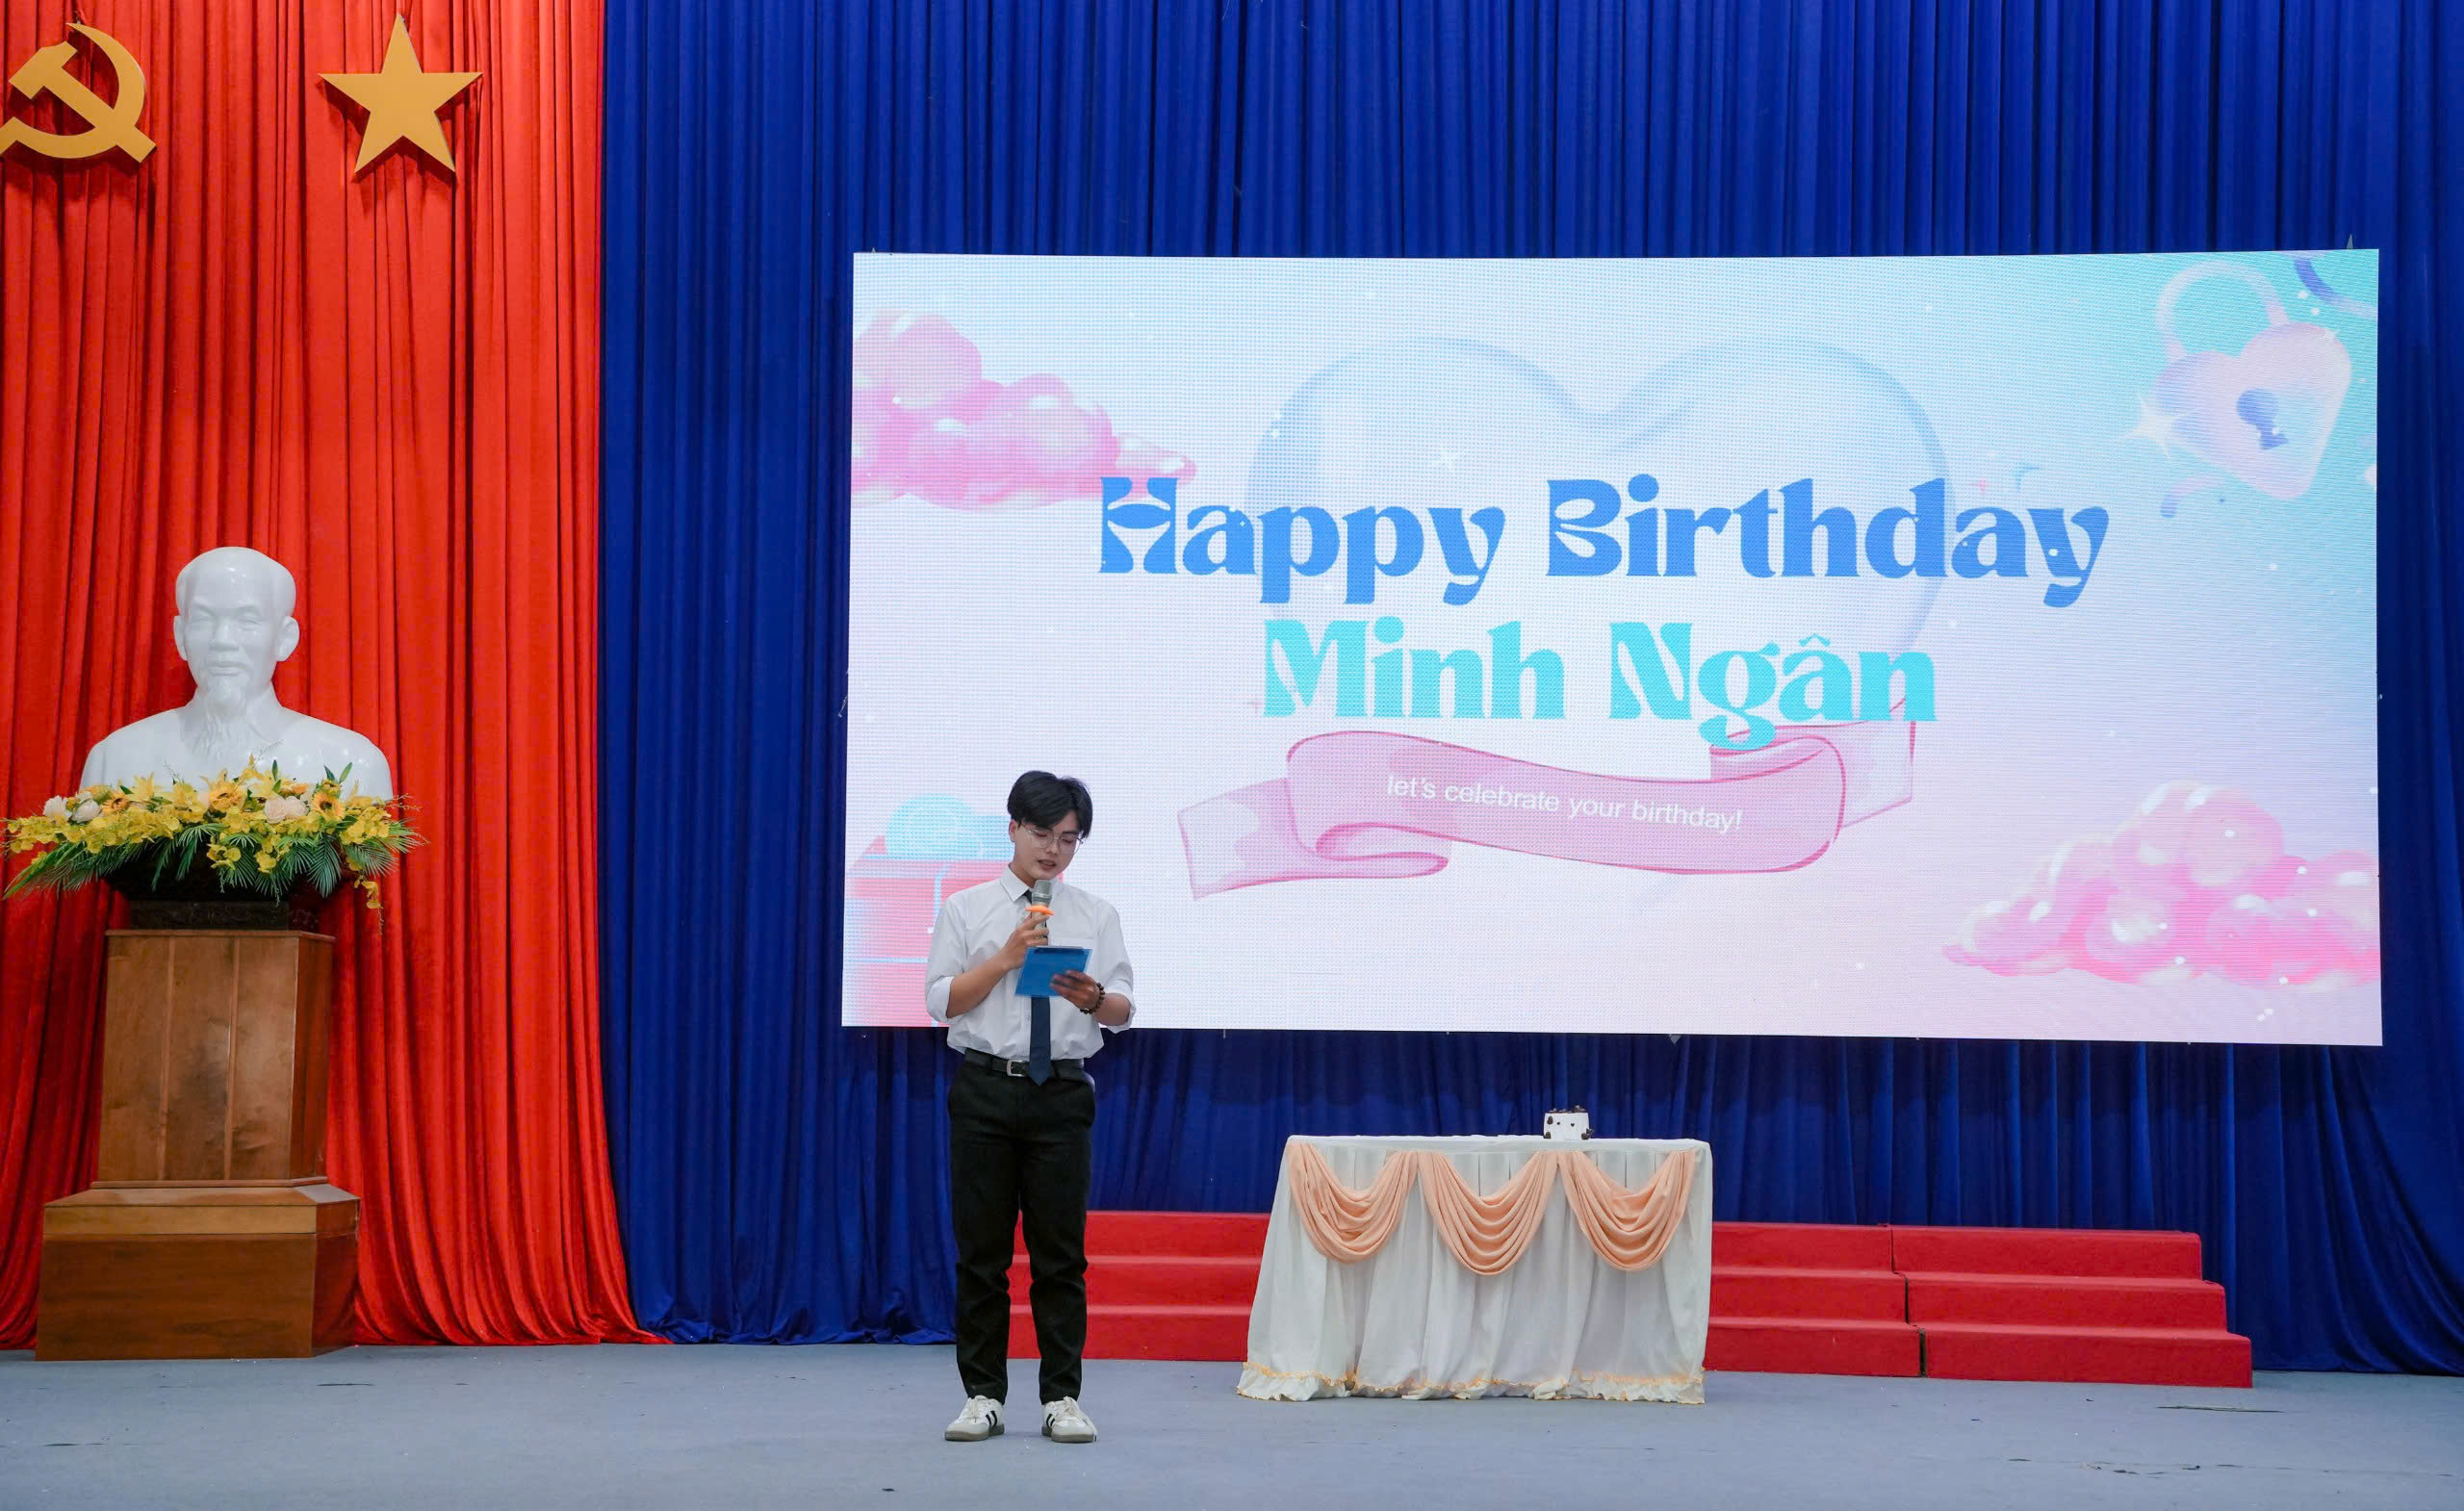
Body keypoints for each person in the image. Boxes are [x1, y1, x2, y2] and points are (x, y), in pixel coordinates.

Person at [925, 771, 1134, 1446]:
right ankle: (983, 1396)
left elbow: (1123, 1009)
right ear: (1013, 828)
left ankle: (1061, 1398)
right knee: (981, 1256)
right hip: (985, 1087)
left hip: (1061, 1093)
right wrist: (1006, 958)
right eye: (1042, 834)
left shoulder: (1096, 914)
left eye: (1068, 839)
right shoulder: (966, 909)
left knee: (1060, 1258)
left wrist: (1092, 998)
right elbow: (941, 1002)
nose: (1054, 850)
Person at [80, 547, 394, 798]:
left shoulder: (351, 764)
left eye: (248, 620)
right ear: (180, 635)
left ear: (285, 639)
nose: (222, 641)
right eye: (203, 619)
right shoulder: (116, 760)